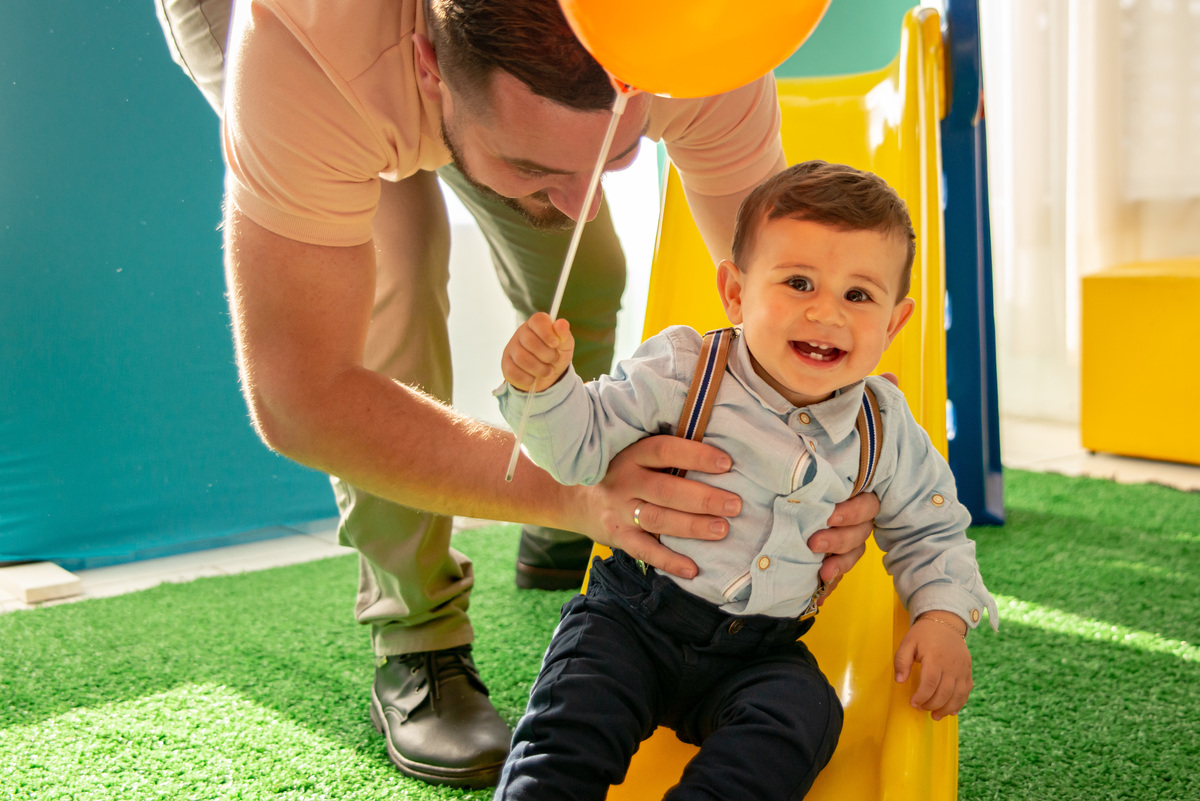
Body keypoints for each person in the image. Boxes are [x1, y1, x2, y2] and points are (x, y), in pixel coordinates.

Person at [153, 0, 883, 788]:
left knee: (586, 266)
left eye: (616, 155)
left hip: (484, 80)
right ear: (431, 69)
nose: (585, 200)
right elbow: (303, 394)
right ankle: (418, 637)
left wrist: (847, 469)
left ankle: (555, 539)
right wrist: (574, 492)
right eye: (536, 169)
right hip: (333, 47)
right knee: (398, 271)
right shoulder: (304, 49)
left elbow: (789, 302)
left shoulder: (696, 39)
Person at [494, 160, 1000, 801]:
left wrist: (943, 619)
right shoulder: (685, 369)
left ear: (894, 324)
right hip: (634, 619)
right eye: (798, 283)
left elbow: (932, 529)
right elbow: (579, 448)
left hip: (761, 650)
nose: (827, 314)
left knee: (805, 713)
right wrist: (543, 388)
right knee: (569, 726)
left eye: (858, 295)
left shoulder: (885, 426)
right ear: (735, 293)